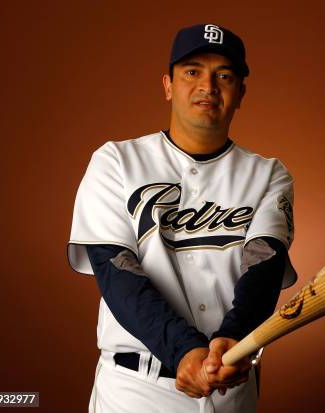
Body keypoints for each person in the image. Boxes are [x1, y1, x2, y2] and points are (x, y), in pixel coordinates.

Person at [67, 23, 296, 413]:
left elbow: (265, 268)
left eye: (224, 75)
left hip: (231, 387)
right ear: (168, 86)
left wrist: (234, 338)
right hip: (135, 390)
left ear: (240, 93)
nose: (208, 85)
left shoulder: (269, 174)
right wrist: (185, 348)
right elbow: (117, 272)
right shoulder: (115, 161)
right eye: (192, 71)